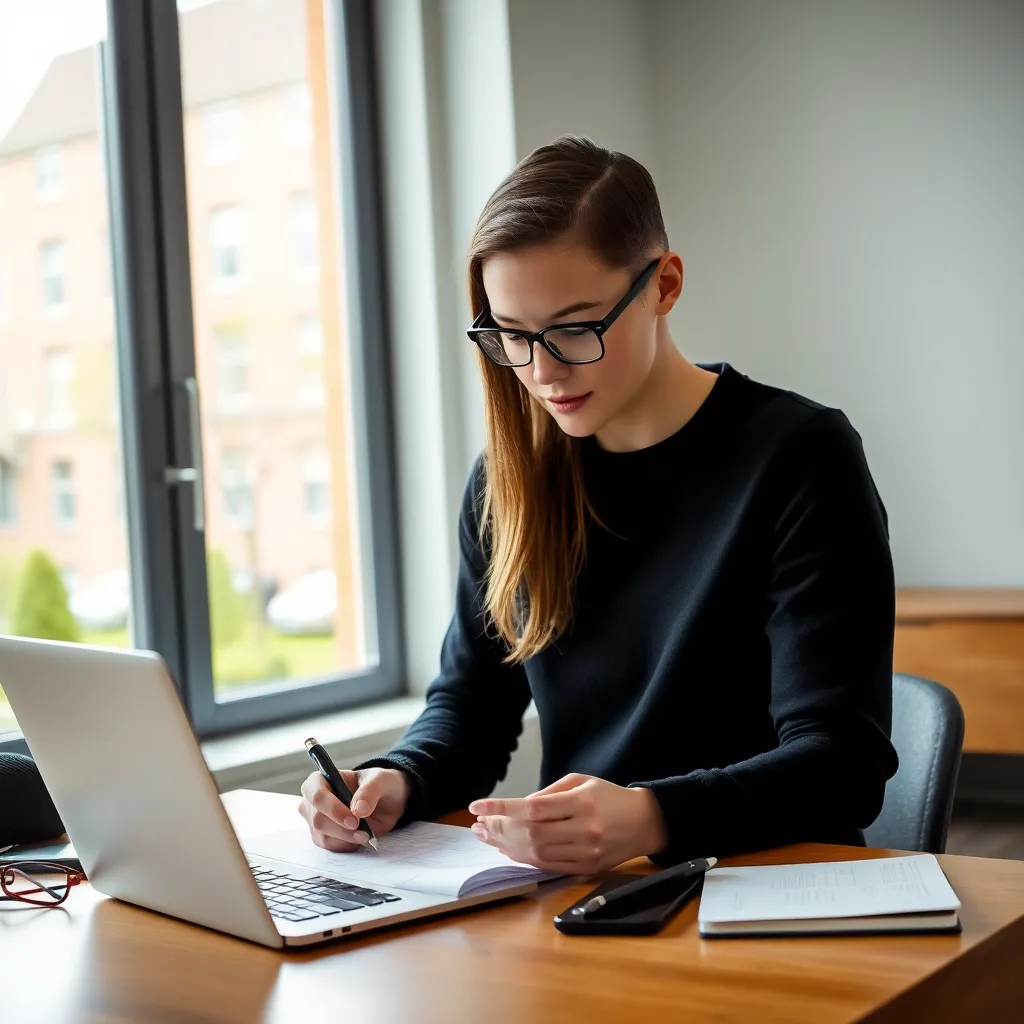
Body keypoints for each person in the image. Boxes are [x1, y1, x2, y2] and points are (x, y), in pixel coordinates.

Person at [298, 135, 898, 871]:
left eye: (575, 329)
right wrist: (397, 779)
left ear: (664, 285)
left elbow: (842, 763)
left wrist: (652, 818)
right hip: (587, 905)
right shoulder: (508, 483)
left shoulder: (799, 457)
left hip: (770, 893)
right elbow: (469, 714)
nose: (543, 371)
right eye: (510, 336)